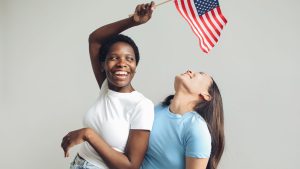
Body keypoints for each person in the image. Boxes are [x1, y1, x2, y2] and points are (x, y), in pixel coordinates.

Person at [61, 2, 156, 169]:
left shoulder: (142, 105)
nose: (122, 63)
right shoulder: (106, 86)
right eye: (114, 58)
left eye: (129, 58)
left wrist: (87, 134)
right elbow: (95, 40)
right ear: (103, 65)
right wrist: (133, 21)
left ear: (135, 66)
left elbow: (131, 166)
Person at [141, 70, 225, 169]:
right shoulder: (158, 109)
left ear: (206, 95)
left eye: (201, 74)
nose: (190, 70)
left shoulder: (197, 128)